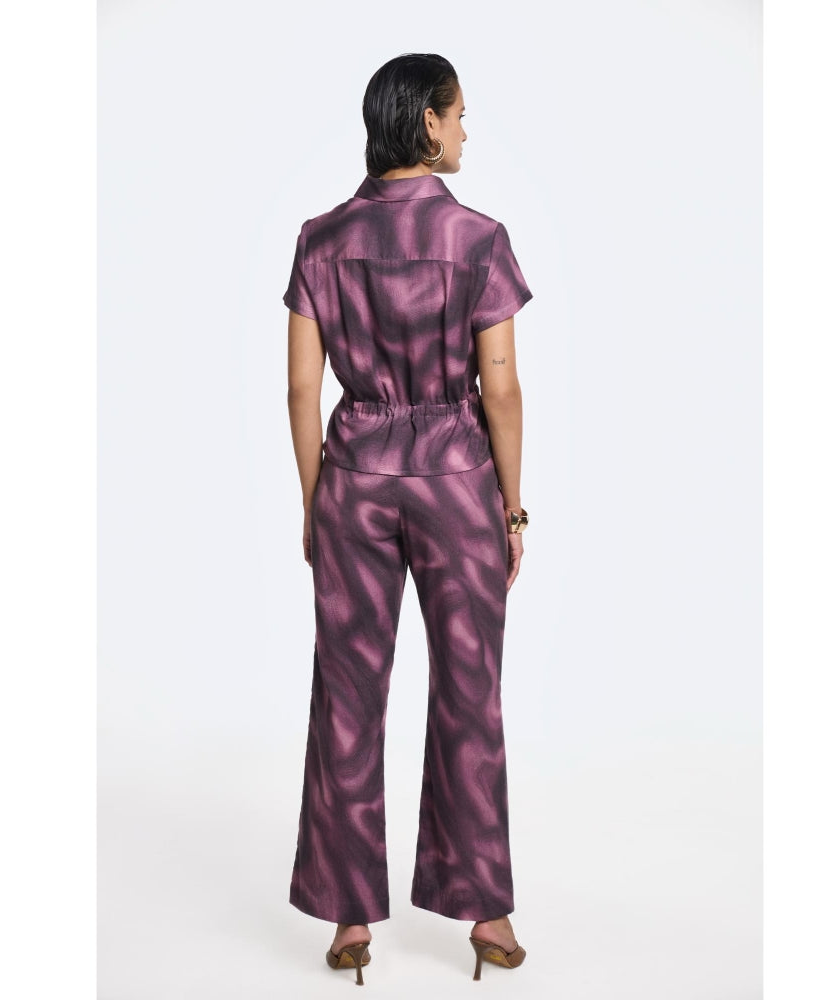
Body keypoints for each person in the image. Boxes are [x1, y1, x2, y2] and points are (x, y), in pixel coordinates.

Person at [283, 52, 533, 984]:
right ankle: (487, 916)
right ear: (426, 122)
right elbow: (500, 387)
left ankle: (348, 921)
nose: (466, 129)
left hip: (353, 476)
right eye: (459, 114)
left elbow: (302, 387)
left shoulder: (320, 240)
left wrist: (314, 500)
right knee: (470, 691)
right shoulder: (478, 240)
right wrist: (512, 508)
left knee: (346, 692)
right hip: (457, 481)